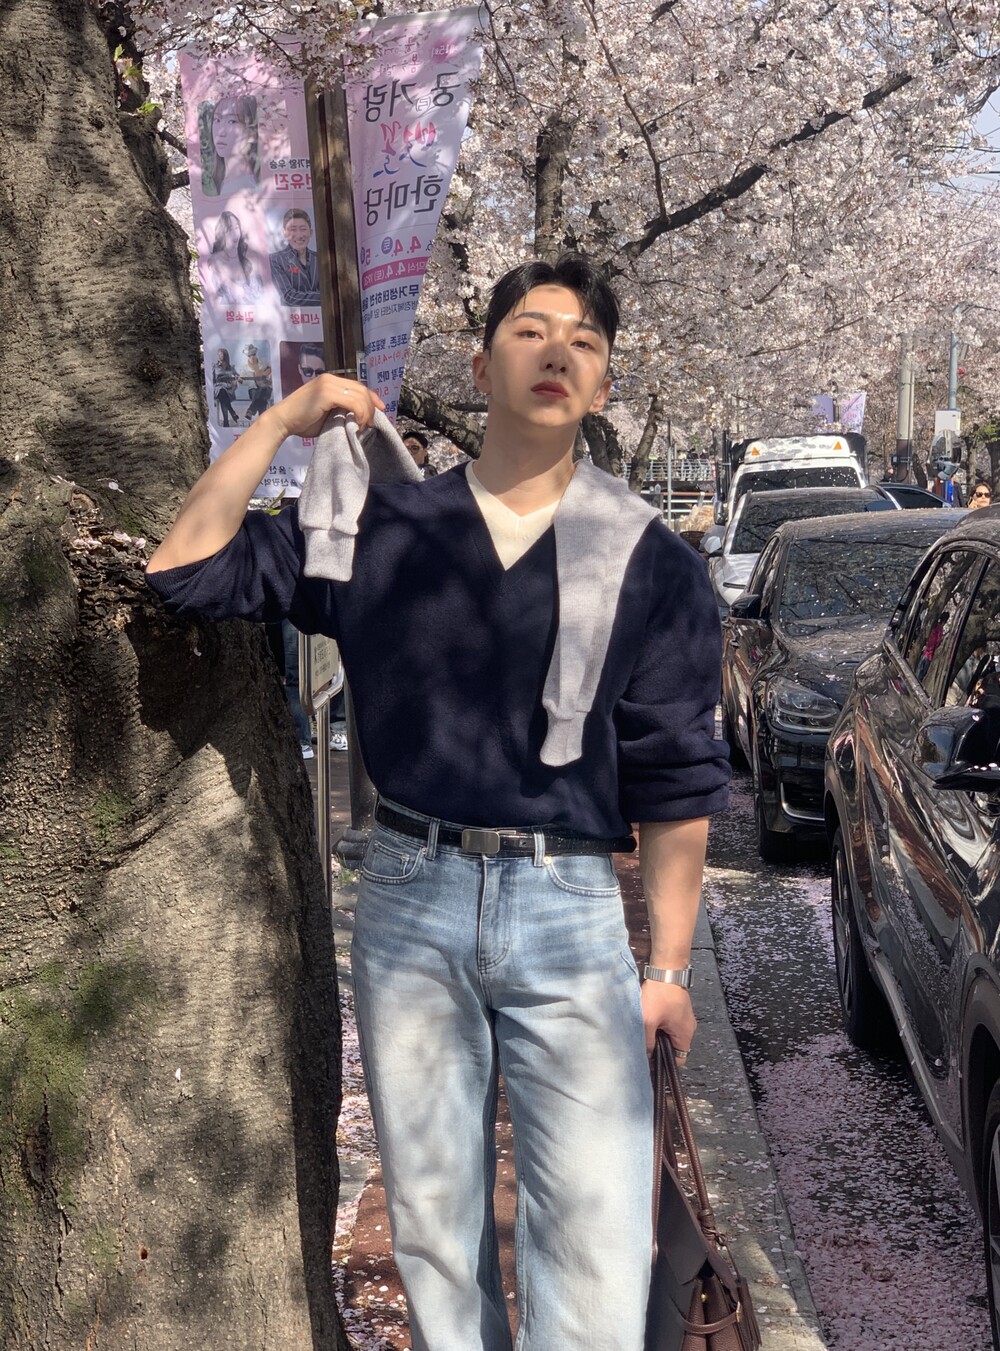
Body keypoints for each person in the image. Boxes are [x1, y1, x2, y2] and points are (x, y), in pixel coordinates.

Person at [145, 254, 730, 1351]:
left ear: (603, 386)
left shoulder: (652, 561)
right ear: (480, 365)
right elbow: (185, 569)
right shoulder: (389, 529)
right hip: (412, 894)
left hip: (568, 907)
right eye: (530, 331)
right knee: (435, 1231)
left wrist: (667, 970)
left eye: (585, 342)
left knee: (597, 1239)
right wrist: (281, 421)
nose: (557, 352)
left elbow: (675, 780)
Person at [202, 95, 259, 197]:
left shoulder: (247, 187)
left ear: (252, 132)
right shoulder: (225, 181)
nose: (221, 132)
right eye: (217, 120)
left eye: (232, 121)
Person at [202, 211, 264, 305]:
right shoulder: (215, 260)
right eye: (230, 229)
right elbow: (216, 295)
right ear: (222, 233)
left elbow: (258, 294)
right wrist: (231, 285)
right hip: (227, 312)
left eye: (237, 228)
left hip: (252, 310)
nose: (235, 233)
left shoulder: (251, 256)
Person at [268, 209, 321, 308]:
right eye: (293, 230)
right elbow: (289, 297)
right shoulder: (275, 259)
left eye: (303, 229)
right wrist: (325, 297)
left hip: (322, 316)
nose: (299, 235)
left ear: (311, 232)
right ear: (284, 233)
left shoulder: (320, 259)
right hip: (292, 316)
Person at [211, 349, 241, 428]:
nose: (219, 356)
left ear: (225, 355)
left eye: (221, 354)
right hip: (218, 386)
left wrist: (236, 379)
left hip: (228, 387)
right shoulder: (215, 366)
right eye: (218, 354)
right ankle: (232, 412)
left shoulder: (230, 367)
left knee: (223, 398)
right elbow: (212, 378)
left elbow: (237, 375)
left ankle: (226, 422)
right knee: (221, 391)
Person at [241, 345, 272, 420]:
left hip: (267, 388)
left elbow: (272, 369)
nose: (252, 357)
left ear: (256, 353)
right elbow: (242, 380)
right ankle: (263, 420)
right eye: (249, 355)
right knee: (262, 399)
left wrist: (266, 375)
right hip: (253, 389)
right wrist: (240, 380)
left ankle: (250, 411)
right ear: (247, 356)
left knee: (262, 390)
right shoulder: (244, 367)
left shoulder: (264, 362)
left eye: (253, 354)